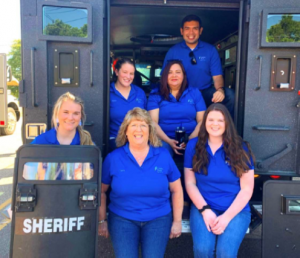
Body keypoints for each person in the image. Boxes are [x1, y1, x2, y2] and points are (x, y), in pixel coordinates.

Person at [98, 107, 183, 258]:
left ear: (150, 131)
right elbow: (101, 191)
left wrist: (177, 221)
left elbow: (177, 190)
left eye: (143, 125)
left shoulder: (163, 155)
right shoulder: (113, 158)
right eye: (134, 125)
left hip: (158, 219)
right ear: (126, 130)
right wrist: (102, 219)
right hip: (122, 219)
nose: (139, 129)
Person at [184, 103, 254, 257]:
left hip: (236, 210)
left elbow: (247, 189)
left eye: (220, 120)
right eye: (210, 120)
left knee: (225, 253)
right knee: (203, 249)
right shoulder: (193, 146)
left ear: (227, 123)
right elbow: (190, 183)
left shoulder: (241, 148)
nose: (215, 124)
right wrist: (205, 210)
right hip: (204, 206)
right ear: (204, 123)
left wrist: (226, 217)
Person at [162, 14, 235, 117]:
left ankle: (227, 131)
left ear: (200, 30)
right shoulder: (173, 51)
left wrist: (220, 90)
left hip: (204, 92)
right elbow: (165, 77)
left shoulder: (210, 50)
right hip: (181, 92)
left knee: (230, 95)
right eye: (187, 29)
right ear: (181, 31)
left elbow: (217, 76)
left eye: (195, 29)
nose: (191, 33)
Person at [147, 60, 206, 156]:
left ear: (184, 75)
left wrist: (189, 140)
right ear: (164, 76)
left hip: (192, 136)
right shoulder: (155, 94)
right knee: (163, 152)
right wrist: (169, 141)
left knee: (196, 150)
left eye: (178, 72)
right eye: (169, 73)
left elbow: (202, 121)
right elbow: (153, 122)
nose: (174, 75)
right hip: (164, 138)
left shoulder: (195, 93)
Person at [31, 92, 94, 180]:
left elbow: (92, 180)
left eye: (76, 113)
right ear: (57, 113)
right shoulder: (40, 141)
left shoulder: (88, 143)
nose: (70, 117)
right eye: (66, 112)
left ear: (80, 116)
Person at [109, 58, 147, 151]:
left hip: (138, 138)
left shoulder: (140, 93)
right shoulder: (108, 93)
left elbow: (147, 119)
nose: (128, 76)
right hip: (116, 140)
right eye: (125, 72)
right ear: (117, 72)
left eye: (131, 73)